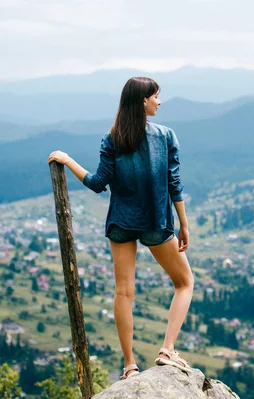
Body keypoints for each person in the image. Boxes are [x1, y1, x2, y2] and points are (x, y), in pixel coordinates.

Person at [48, 77, 195, 380]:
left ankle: (129, 366)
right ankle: (167, 350)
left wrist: (67, 160)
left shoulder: (112, 137)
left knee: (123, 292)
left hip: (121, 222)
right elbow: (174, 184)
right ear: (143, 101)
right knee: (184, 282)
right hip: (155, 221)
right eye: (156, 96)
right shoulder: (166, 136)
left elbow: (97, 183)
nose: (159, 101)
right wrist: (183, 224)